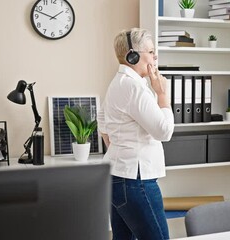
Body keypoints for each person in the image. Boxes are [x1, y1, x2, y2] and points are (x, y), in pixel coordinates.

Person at [97, 28, 175, 240]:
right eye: (151, 51)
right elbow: (164, 131)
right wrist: (161, 94)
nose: (155, 56)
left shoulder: (119, 83)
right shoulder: (134, 88)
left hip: (119, 176)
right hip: (136, 181)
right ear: (133, 56)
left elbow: (102, 119)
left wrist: (119, 148)